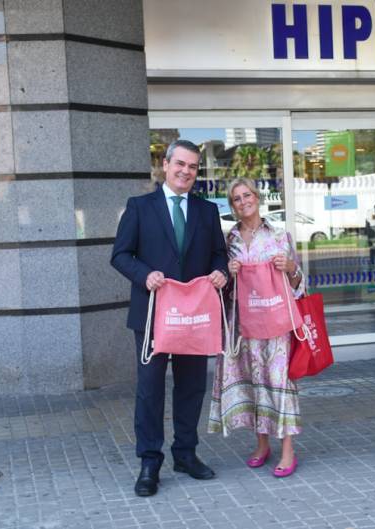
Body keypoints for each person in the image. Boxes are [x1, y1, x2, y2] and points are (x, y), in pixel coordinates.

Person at [111, 139, 228, 497]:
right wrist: (145, 275)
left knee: (192, 386)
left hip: (193, 317)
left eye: (193, 167)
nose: (186, 172)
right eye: (180, 164)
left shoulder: (207, 212)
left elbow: (218, 256)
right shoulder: (139, 207)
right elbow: (120, 255)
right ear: (165, 165)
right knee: (150, 389)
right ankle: (149, 461)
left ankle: (185, 454)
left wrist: (221, 272)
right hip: (152, 317)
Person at [208, 177, 304, 478]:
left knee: (279, 382)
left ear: (257, 197)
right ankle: (262, 444)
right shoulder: (230, 239)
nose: (243, 201)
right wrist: (229, 273)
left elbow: (298, 283)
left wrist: (290, 268)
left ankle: (287, 449)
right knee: (253, 381)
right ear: (232, 205)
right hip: (244, 323)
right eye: (236, 198)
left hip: (275, 323)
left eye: (247, 195)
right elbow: (223, 288)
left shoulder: (278, 233)